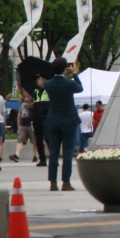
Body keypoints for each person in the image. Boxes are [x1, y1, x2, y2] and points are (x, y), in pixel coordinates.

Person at [43, 57, 84, 191]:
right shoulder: (69, 84)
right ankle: (66, 182)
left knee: (53, 152)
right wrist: (75, 73)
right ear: (65, 69)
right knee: (67, 152)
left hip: (53, 120)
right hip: (68, 120)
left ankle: (53, 183)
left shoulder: (48, 84)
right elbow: (80, 88)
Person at [31, 75, 51, 166]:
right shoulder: (35, 91)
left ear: (44, 79)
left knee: (48, 137)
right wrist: (30, 103)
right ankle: (42, 159)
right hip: (36, 116)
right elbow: (33, 103)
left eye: (39, 79)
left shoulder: (49, 90)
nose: (37, 81)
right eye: (37, 79)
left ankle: (53, 158)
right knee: (38, 139)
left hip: (46, 116)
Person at [10, 94, 35, 162]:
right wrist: (18, 124)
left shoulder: (33, 98)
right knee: (20, 139)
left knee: (34, 141)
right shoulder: (22, 101)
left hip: (31, 124)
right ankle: (16, 155)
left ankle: (36, 155)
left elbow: (33, 108)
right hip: (23, 124)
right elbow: (19, 112)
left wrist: (30, 103)